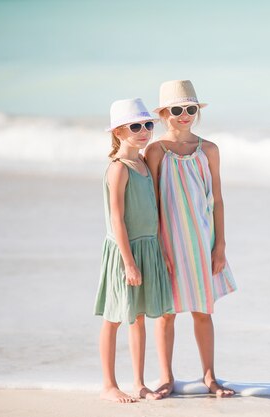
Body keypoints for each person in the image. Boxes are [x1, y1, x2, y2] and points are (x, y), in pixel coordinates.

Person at [145, 80, 238, 398]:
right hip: (169, 241)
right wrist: (158, 245)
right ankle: (166, 377)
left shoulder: (209, 149)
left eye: (191, 109)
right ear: (162, 114)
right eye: (177, 109)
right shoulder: (155, 150)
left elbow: (218, 199)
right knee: (166, 313)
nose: (184, 115)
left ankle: (210, 376)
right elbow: (153, 201)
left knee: (203, 310)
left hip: (201, 239)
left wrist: (220, 244)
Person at [94, 98, 175, 403]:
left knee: (138, 317)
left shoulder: (143, 162)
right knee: (114, 317)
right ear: (118, 132)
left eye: (148, 125)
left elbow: (152, 208)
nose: (144, 131)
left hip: (148, 247)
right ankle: (108, 385)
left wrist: (160, 248)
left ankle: (139, 382)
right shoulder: (118, 168)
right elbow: (117, 218)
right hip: (124, 252)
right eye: (136, 126)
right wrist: (128, 262)